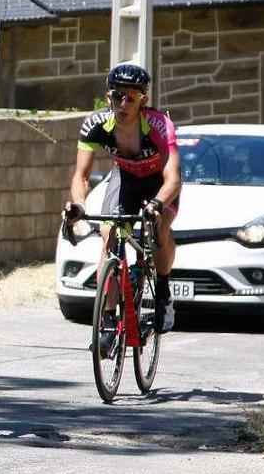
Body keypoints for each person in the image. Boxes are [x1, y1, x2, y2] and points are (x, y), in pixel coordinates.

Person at [64, 63, 181, 334]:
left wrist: (157, 204)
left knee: (159, 229)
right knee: (109, 236)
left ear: (144, 100)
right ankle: (106, 319)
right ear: (109, 98)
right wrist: (79, 205)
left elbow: (173, 179)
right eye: (118, 96)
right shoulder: (95, 126)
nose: (123, 103)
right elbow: (81, 176)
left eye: (131, 97)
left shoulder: (159, 125)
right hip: (126, 177)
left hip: (159, 183)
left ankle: (163, 293)